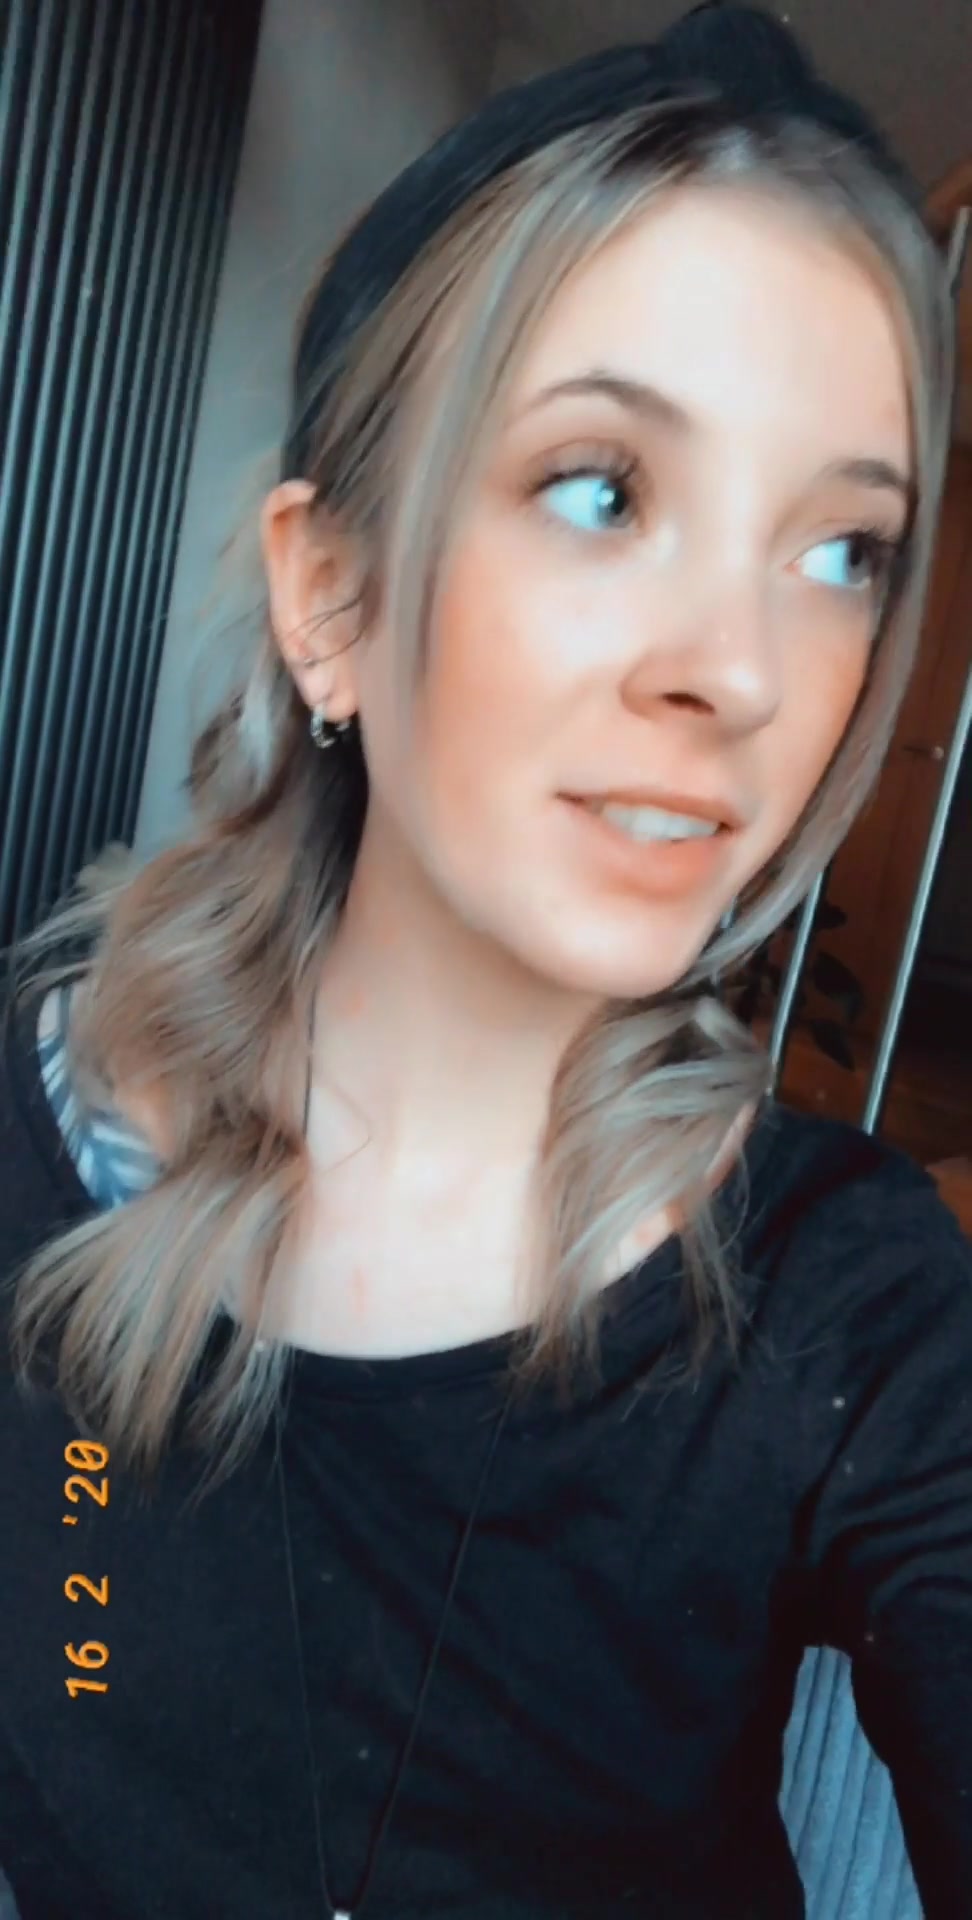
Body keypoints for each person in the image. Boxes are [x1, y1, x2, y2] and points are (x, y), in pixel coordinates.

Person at [0, 5, 969, 1915]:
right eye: (603, 489)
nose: (743, 672)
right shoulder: (38, 1138)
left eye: (841, 551)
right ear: (331, 594)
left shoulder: (845, 1310)